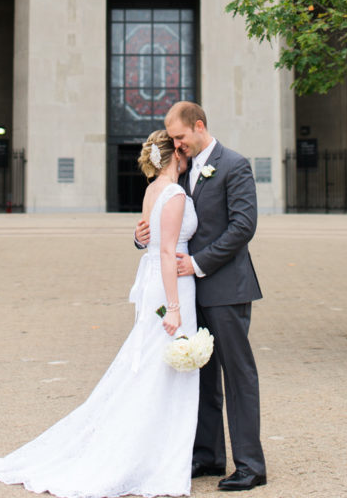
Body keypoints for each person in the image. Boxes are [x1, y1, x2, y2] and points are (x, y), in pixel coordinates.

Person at [0, 130, 200, 497]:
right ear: (174, 156)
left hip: (157, 280)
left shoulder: (154, 189)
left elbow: (150, 240)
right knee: (162, 368)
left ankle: (155, 452)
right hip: (170, 287)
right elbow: (168, 252)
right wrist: (173, 308)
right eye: (182, 152)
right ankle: (151, 457)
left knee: (153, 368)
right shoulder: (175, 194)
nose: (186, 156)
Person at [135, 101, 266, 491]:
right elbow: (166, 223)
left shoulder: (234, 165)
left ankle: (250, 465)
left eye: (180, 137)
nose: (177, 146)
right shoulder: (184, 167)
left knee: (237, 374)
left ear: (199, 125)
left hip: (226, 287)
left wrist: (198, 264)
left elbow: (243, 226)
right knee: (202, 374)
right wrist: (141, 236)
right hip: (191, 293)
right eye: (173, 140)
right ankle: (208, 455)